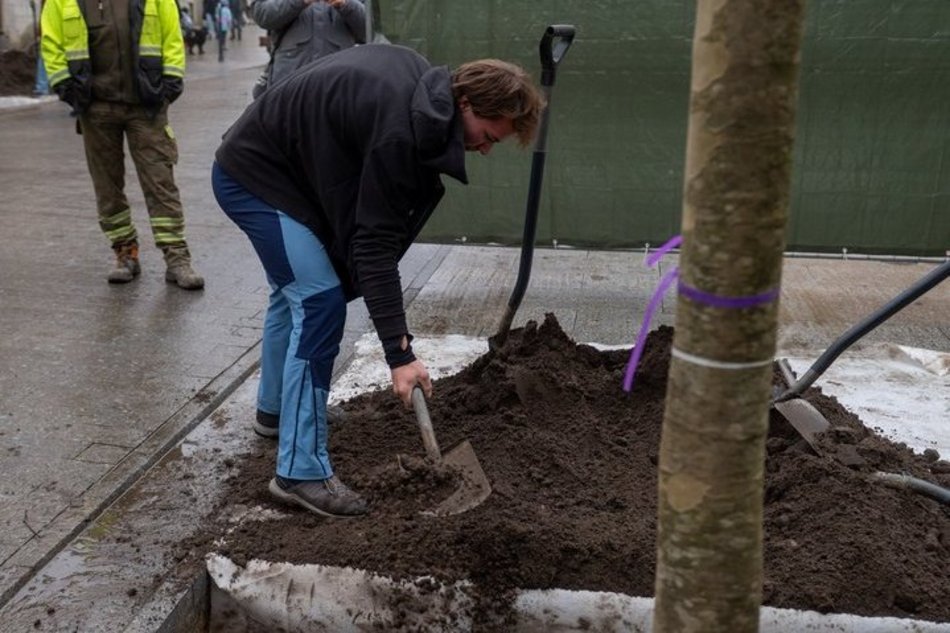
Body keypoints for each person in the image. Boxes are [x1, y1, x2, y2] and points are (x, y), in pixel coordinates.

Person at [211, 44, 544, 518]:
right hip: (253, 179)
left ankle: (277, 412)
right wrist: (400, 354)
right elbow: (373, 246)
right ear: (467, 102)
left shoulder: (421, 94)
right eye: (489, 136)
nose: (487, 149)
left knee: (297, 294)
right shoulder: (400, 133)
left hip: (281, 172)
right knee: (319, 301)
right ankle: (299, 472)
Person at [41, 0, 204, 289]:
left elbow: (171, 36)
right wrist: (67, 88)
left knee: (160, 181)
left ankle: (177, 258)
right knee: (107, 187)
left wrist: (170, 83)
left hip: (147, 106)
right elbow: (52, 44)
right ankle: (125, 253)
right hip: (97, 108)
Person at [250, 0, 365, 98]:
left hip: (338, 85)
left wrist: (346, 4)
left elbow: (370, 28)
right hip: (289, 84)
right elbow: (261, 14)